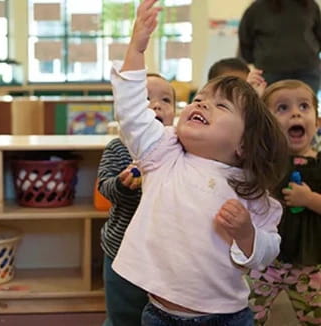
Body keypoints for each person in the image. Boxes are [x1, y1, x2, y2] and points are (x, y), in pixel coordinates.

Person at [111, 1, 290, 325]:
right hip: (158, 314)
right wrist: (137, 48)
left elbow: (267, 253)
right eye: (199, 99)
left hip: (225, 317)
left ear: (244, 145)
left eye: (219, 105)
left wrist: (247, 233)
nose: (202, 104)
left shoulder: (249, 187)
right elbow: (131, 113)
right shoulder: (165, 155)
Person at [98, 72, 176, 326]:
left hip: (164, 252)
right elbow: (104, 187)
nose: (157, 105)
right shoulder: (118, 147)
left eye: (166, 100)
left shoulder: (180, 149)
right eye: (145, 99)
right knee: (123, 314)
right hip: (121, 249)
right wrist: (122, 183)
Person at [248, 79, 321, 326]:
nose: (295, 113)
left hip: (311, 263)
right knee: (247, 313)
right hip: (267, 262)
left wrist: (310, 199)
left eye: (304, 107)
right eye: (283, 108)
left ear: (317, 121)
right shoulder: (266, 161)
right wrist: (252, 99)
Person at [238, 0, 321, 93]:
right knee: (270, 105)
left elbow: (318, 34)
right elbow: (245, 39)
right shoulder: (257, 8)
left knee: (307, 104)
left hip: (307, 70)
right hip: (270, 72)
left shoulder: (310, 6)